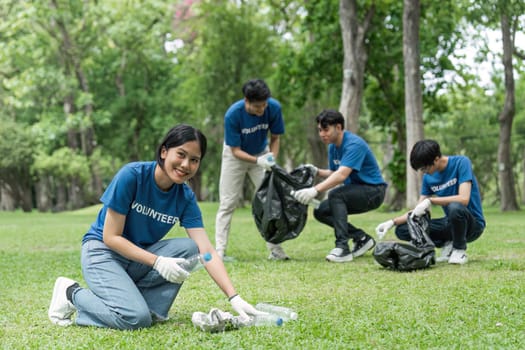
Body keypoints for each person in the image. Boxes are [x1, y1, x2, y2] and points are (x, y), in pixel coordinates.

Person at [48, 124, 264, 330]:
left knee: (189, 248)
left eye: (194, 160)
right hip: (103, 254)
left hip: (137, 259)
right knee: (135, 319)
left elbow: (206, 252)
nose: (186, 165)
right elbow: (110, 237)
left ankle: (138, 307)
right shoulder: (132, 176)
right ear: (164, 152)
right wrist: (158, 261)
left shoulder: (185, 197)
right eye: (181, 154)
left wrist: (234, 297)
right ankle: (71, 294)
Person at [293, 109, 387, 262]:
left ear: (338, 127)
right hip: (356, 191)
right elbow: (334, 172)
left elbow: (341, 175)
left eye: (326, 129)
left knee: (336, 194)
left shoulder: (354, 144)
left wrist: (314, 190)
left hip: (374, 192)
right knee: (321, 211)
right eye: (320, 130)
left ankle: (342, 248)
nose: (322, 134)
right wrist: (316, 171)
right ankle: (361, 238)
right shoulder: (332, 146)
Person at [375, 139, 485, 265]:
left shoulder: (461, 162)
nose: (423, 172)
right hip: (450, 222)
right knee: (404, 229)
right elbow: (417, 211)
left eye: (424, 168)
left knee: (455, 207)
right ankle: (447, 243)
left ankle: (459, 250)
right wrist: (392, 222)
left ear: (436, 159)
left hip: (472, 224)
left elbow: (464, 199)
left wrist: (431, 201)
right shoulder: (428, 178)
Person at [215, 79, 289, 261]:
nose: (262, 110)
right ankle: (220, 251)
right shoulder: (233, 115)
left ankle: (276, 250)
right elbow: (235, 150)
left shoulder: (273, 108)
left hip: (262, 153)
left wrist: (271, 158)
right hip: (236, 157)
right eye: (257, 106)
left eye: (264, 105)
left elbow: (276, 137)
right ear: (246, 101)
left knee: (269, 202)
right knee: (228, 203)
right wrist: (258, 161)